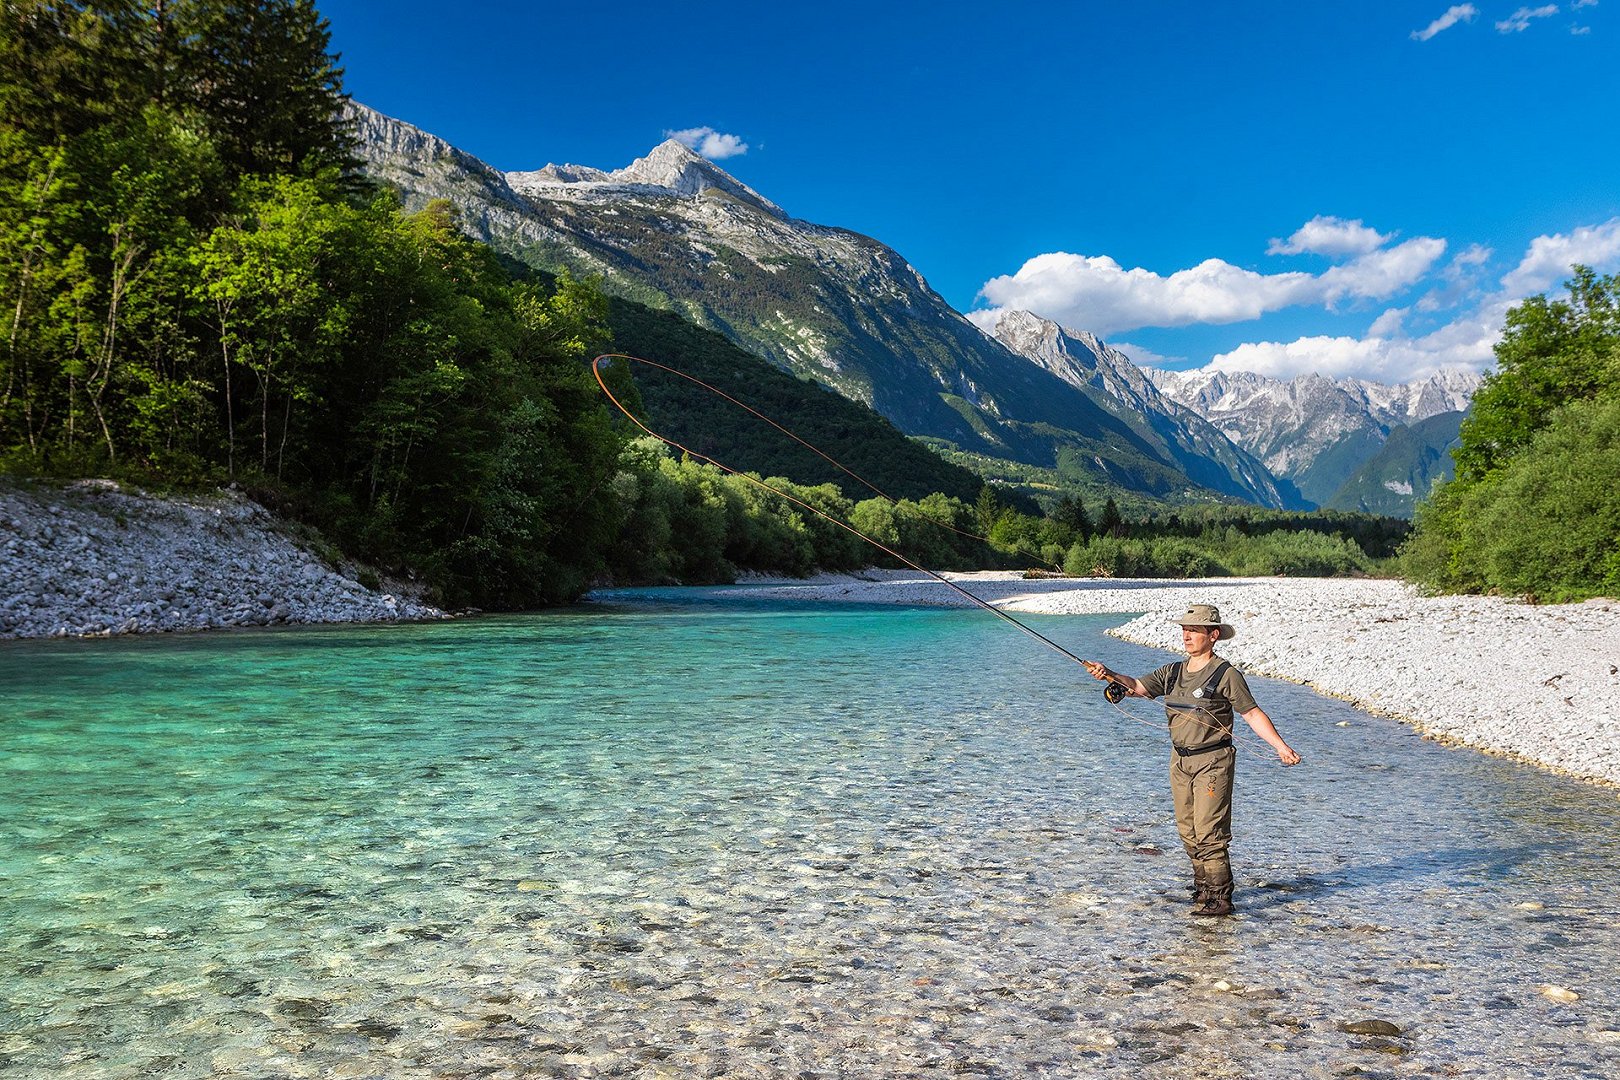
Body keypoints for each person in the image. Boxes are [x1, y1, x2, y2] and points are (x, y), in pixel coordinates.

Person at [1083, 603, 1300, 917]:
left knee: (1210, 832)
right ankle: (1203, 890)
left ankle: (1221, 900)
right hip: (1180, 762)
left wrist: (1280, 747)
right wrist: (1109, 674)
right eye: (1185, 630)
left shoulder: (1227, 674)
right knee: (1188, 831)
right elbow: (1138, 688)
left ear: (1213, 635)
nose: (1186, 635)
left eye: (1194, 630)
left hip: (1213, 762)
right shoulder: (1172, 672)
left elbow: (1251, 713)